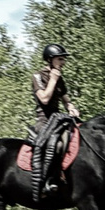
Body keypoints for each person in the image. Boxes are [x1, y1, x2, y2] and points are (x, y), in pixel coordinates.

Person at [28, 43, 80, 192]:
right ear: (50, 60)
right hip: (44, 121)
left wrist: (71, 107)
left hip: (59, 118)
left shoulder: (59, 77)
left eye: (64, 59)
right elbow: (44, 99)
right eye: (60, 59)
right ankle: (47, 180)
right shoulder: (37, 76)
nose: (63, 62)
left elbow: (65, 99)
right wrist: (52, 79)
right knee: (56, 145)